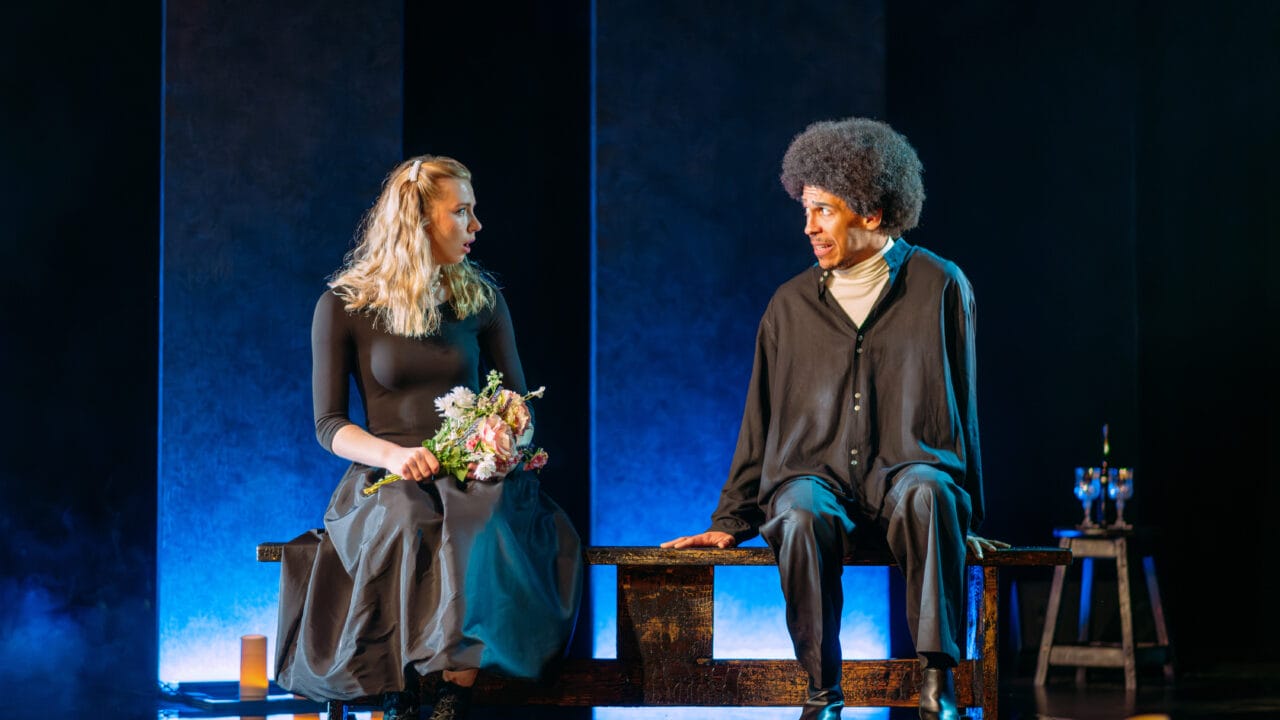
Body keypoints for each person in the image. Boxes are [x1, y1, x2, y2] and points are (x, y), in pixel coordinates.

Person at [662, 118, 1007, 720]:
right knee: (796, 512)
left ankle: (936, 686)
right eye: (805, 210)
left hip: (908, 473)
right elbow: (759, 419)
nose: (808, 227)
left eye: (822, 210)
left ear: (871, 214)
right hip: (816, 480)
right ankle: (822, 691)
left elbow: (963, 408)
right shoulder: (789, 305)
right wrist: (732, 518)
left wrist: (964, 510)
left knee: (931, 493)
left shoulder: (939, 285)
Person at [275, 156, 583, 720]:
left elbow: (520, 404)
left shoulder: (481, 302)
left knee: (474, 518)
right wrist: (395, 454)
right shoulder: (344, 307)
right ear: (418, 220)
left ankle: (449, 696)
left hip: (473, 473)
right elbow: (329, 426)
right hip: (386, 472)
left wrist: (501, 435)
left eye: (473, 211)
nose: (476, 225)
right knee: (405, 519)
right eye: (461, 212)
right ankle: (400, 691)